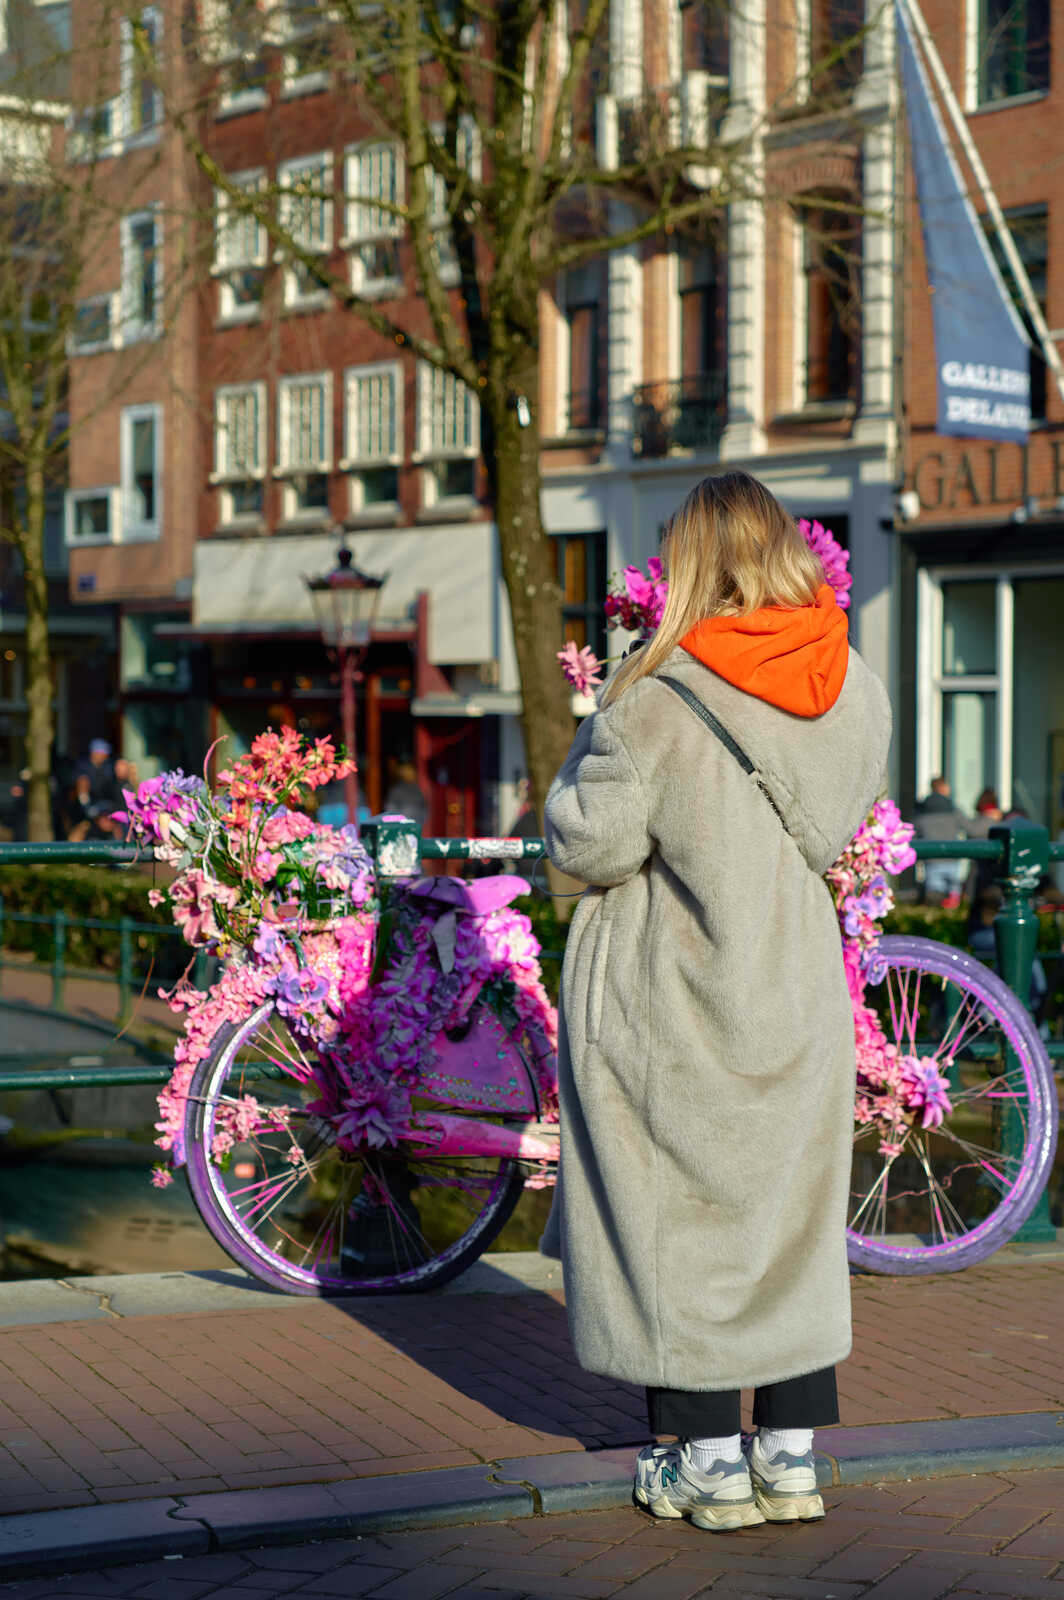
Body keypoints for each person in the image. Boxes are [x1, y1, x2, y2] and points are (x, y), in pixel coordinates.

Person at [541, 470, 891, 1533]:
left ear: (692, 563)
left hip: (676, 992)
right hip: (792, 984)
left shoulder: (659, 695)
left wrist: (580, 746)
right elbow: (836, 823)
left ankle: (702, 1463)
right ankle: (788, 1458)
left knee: (671, 1216)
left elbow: (587, 840)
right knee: (787, 1219)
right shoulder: (855, 683)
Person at [912, 776, 968, 905]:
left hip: (932, 860)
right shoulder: (953, 809)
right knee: (954, 901)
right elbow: (970, 829)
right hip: (952, 858)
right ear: (942, 788)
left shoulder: (922, 809)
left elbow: (912, 833)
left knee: (934, 900)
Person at [383, 755, 429, 834]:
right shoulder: (417, 790)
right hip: (415, 825)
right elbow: (425, 811)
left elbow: (390, 809)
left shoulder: (398, 790)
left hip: (401, 826)